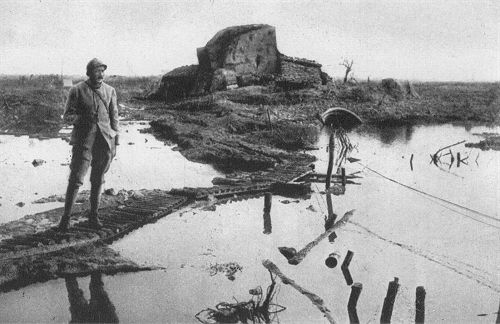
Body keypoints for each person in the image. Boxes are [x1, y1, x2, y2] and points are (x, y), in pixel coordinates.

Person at [57, 58, 119, 231]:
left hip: (105, 141)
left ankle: (94, 216)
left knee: (98, 179)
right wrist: (83, 119)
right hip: (83, 140)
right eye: (97, 71)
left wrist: (116, 143)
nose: (101, 75)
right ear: (89, 73)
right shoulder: (77, 90)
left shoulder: (110, 90)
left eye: (102, 71)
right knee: (76, 178)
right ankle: (66, 219)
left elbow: (115, 118)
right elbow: (67, 116)